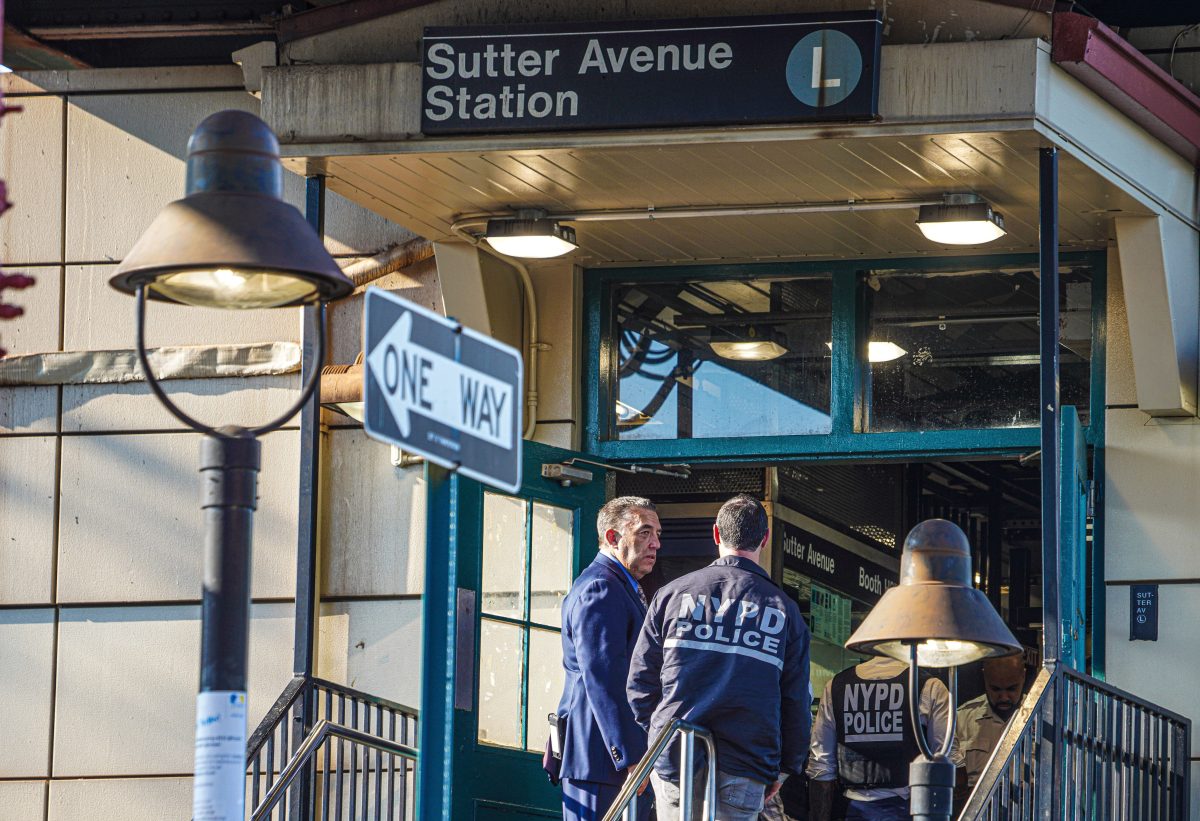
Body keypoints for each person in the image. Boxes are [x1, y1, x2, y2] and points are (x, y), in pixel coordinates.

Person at [628, 494, 811, 820]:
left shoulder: (671, 595)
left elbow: (640, 682)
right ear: (765, 540)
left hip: (674, 753)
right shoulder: (786, 612)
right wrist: (783, 768)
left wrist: (659, 731)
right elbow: (795, 701)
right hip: (746, 760)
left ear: (716, 534)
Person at [556, 495, 662, 821]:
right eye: (644, 533)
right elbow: (604, 678)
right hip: (602, 761)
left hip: (611, 761)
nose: (656, 544)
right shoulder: (600, 588)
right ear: (613, 538)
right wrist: (631, 757)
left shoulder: (618, 586)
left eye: (658, 534)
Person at [808, 657, 962, 821]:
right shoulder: (929, 686)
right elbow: (950, 763)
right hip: (909, 809)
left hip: (853, 809)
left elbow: (821, 767)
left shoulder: (836, 686)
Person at [954, 654, 1027, 801]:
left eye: (1012, 689)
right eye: (996, 689)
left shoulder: (1042, 716)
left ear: (1023, 677)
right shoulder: (961, 720)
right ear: (984, 678)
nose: (1004, 697)